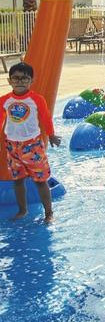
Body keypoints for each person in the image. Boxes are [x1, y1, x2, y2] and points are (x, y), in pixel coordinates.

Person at [0, 62, 61, 222]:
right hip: (12, 146)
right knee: (18, 181)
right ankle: (22, 210)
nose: (20, 81)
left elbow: (46, 118)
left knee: (41, 181)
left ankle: (49, 213)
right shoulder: (4, 101)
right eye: (16, 78)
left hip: (32, 146)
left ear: (31, 81)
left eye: (24, 78)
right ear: (9, 81)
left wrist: (52, 135)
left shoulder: (36, 99)